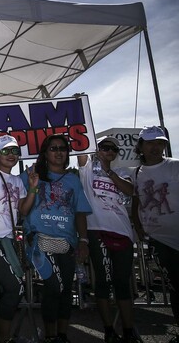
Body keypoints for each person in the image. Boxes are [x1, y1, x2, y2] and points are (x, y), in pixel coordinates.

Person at [21, 134, 92, 343]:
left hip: (67, 241)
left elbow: (80, 212)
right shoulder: (30, 175)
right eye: (53, 148)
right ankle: (50, 335)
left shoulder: (73, 179)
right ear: (45, 153)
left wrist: (84, 241)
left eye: (62, 148)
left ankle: (61, 335)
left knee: (65, 288)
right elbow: (11, 196)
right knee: (54, 286)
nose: (59, 152)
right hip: (39, 240)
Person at [77, 136, 140, 343]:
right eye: (105, 147)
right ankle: (109, 330)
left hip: (122, 232)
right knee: (103, 282)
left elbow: (130, 190)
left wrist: (109, 173)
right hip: (97, 231)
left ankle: (129, 330)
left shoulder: (122, 172)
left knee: (123, 282)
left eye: (114, 149)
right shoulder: (87, 169)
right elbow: (80, 146)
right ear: (97, 149)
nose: (110, 151)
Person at [0, 134, 39, 343]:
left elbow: (23, 210)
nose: (11, 155)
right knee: (15, 287)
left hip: (10, 241)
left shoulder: (17, 180)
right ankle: (2, 339)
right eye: (5, 151)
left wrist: (32, 188)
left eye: (14, 151)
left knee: (12, 289)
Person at [131, 126, 179, 343]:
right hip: (160, 240)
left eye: (159, 142)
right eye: (150, 143)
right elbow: (136, 201)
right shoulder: (136, 173)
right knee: (176, 287)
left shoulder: (175, 166)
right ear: (140, 146)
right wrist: (139, 227)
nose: (155, 147)